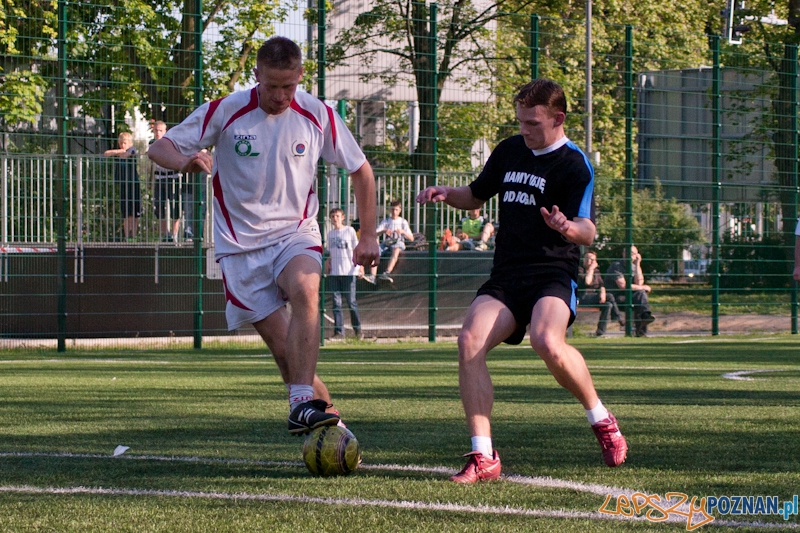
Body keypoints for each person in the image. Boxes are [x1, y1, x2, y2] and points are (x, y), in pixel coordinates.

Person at [147, 36, 379, 435]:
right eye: (272, 86)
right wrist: (186, 161)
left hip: (296, 233)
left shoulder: (317, 113)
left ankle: (301, 403)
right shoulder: (226, 111)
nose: (280, 95)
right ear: (256, 75)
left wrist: (368, 235)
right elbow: (159, 148)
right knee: (285, 347)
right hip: (240, 249)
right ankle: (333, 427)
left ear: (300, 76)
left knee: (307, 288)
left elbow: (362, 170)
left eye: (288, 86)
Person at [416, 78, 628, 483]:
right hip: (507, 275)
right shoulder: (511, 150)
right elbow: (477, 195)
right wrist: (447, 192)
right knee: (469, 341)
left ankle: (601, 419)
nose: (524, 131)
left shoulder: (573, 164)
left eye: (532, 123)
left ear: (558, 119)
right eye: (520, 122)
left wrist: (567, 226)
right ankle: (484, 455)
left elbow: (588, 231)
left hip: (552, 272)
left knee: (547, 341)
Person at [325, 208, 363, 340]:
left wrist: (360, 266)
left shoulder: (349, 231)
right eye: (333, 216)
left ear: (343, 217)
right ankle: (339, 332)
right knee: (336, 303)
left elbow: (356, 249)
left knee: (351, 302)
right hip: (335, 273)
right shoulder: (330, 234)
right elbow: (330, 252)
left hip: (349, 271)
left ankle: (358, 331)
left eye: (337, 216)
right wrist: (328, 263)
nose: (335, 218)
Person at [604, 245, 655, 337]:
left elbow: (639, 282)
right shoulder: (616, 266)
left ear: (636, 255)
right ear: (623, 254)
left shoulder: (634, 266)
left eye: (632, 254)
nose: (629, 255)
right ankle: (644, 321)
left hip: (629, 296)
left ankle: (643, 325)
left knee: (640, 295)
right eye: (627, 253)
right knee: (640, 294)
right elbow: (623, 286)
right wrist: (643, 287)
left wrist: (638, 264)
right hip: (615, 297)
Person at [104, 131, 142, 241]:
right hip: (123, 185)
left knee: (135, 213)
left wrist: (120, 152)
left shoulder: (133, 150)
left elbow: (128, 153)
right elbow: (106, 153)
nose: (122, 145)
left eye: (124, 143)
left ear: (130, 142)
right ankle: (126, 237)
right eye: (120, 143)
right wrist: (118, 151)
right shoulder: (119, 151)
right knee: (126, 212)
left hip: (133, 184)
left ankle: (133, 236)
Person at [149, 121, 183, 242]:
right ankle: (165, 234)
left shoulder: (172, 143)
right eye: (156, 130)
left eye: (160, 130)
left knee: (176, 206)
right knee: (159, 206)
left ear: (165, 131)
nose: (158, 133)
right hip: (159, 178)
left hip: (173, 177)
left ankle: (174, 234)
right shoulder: (152, 144)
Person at [366, 199, 414, 284]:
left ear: (400, 210)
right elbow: (375, 233)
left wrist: (403, 232)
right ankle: (372, 276)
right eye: (392, 209)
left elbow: (411, 238)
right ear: (389, 210)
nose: (394, 212)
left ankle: (387, 273)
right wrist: (384, 231)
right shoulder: (386, 221)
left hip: (398, 242)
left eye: (396, 210)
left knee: (396, 250)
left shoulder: (403, 222)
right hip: (387, 242)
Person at [578, 250, 623, 337]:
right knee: (609, 296)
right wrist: (590, 269)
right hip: (582, 297)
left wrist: (602, 293)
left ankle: (600, 332)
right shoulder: (579, 270)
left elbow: (602, 284)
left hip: (594, 297)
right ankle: (618, 318)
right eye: (587, 258)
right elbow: (587, 282)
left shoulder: (596, 271)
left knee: (608, 305)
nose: (589, 261)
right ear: (583, 259)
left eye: (592, 259)